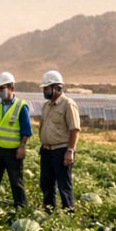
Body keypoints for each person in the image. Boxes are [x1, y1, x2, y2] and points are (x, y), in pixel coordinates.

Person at [0, 71, 30, 208]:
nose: (0, 92)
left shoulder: (21, 106)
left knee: (16, 182)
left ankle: (21, 208)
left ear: (11, 88)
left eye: (2, 88)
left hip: (13, 152)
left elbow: (26, 130)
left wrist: (22, 147)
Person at [37, 69, 80, 211]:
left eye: (46, 88)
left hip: (61, 151)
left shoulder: (68, 104)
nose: (44, 91)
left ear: (56, 87)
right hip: (46, 151)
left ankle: (69, 215)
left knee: (64, 186)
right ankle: (49, 211)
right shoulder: (46, 106)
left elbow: (75, 130)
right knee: (46, 183)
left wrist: (70, 151)